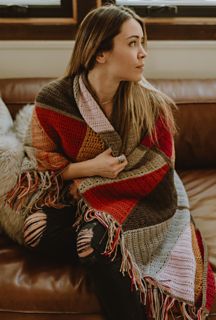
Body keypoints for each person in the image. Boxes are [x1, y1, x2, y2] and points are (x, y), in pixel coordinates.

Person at [2, 4, 215, 320]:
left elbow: (157, 170)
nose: (143, 53)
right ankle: (106, 246)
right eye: (132, 43)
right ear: (100, 53)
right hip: (79, 199)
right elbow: (42, 166)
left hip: (140, 198)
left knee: (95, 243)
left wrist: (87, 184)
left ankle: (104, 248)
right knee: (37, 230)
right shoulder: (55, 100)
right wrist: (92, 170)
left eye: (143, 43)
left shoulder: (150, 104)